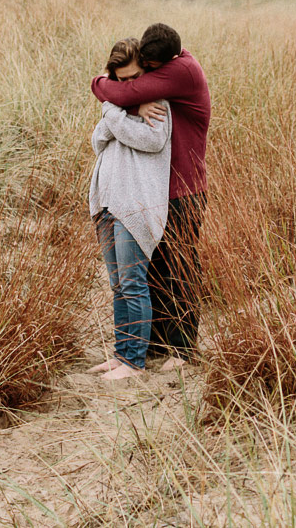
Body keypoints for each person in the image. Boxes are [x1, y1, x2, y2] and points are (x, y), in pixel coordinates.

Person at [89, 23, 210, 371]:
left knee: (180, 268)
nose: (146, 79)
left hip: (183, 188)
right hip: (154, 187)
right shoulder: (160, 71)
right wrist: (108, 91)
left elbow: (121, 94)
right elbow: (121, 97)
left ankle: (183, 351)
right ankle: (155, 345)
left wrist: (102, 89)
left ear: (163, 62)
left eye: (149, 70)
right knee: (154, 270)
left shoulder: (181, 71)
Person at [87, 37, 173, 381]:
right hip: (107, 200)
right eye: (120, 82)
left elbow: (152, 141)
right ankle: (122, 354)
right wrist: (124, 114)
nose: (128, 87)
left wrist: (112, 111)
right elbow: (97, 141)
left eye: (134, 78)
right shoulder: (127, 106)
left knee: (134, 283)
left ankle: (134, 362)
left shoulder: (158, 103)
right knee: (119, 284)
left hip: (136, 204)